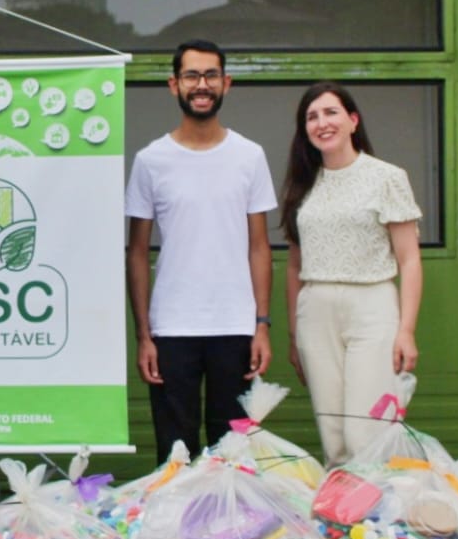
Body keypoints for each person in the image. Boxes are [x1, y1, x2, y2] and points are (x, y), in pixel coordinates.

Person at [126, 40, 276, 464]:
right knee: (175, 454)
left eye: (211, 75)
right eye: (192, 76)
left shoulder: (249, 156)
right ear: (175, 85)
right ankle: (174, 529)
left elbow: (260, 246)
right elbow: (136, 252)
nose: (202, 84)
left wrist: (261, 324)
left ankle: (232, 531)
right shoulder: (151, 160)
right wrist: (144, 335)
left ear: (226, 83)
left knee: (234, 453)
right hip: (171, 327)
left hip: (235, 323)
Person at [281, 82, 422, 466]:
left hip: (372, 304)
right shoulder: (303, 184)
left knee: (367, 429)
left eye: (331, 113)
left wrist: (406, 330)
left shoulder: (387, 177)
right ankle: (344, 521)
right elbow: (294, 264)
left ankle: (379, 516)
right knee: (334, 432)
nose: (322, 123)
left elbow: (409, 259)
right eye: (312, 117)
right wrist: (294, 334)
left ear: (353, 120)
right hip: (316, 308)